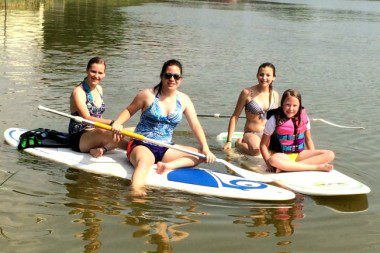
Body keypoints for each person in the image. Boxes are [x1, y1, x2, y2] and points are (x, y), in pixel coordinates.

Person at [112, 59, 216, 196]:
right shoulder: (147, 95)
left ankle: (167, 166)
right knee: (144, 163)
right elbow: (129, 110)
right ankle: (136, 192)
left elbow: (195, 125)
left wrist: (206, 148)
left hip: (165, 146)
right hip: (142, 143)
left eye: (176, 76)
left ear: (180, 80)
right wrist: (118, 122)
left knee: (201, 155)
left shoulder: (184, 100)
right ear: (162, 76)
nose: (172, 79)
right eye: (168, 75)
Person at [260, 89, 335, 173]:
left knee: (330, 154)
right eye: (288, 105)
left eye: (294, 105)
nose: (291, 109)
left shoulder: (304, 117)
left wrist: (313, 156)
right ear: (282, 104)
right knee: (273, 160)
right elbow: (263, 145)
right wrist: (268, 163)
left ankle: (288, 167)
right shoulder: (274, 119)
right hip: (283, 156)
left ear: (299, 106)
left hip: (300, 155)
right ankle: (315, 167)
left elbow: (308, 139)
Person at [68, 57, 123, 157]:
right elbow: (87, 118)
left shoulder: (99, 89)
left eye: (100, 73)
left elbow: (98, 116)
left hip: (96, 132)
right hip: (79, 137)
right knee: (113, 134)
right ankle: (107, 146)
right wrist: (111, 122)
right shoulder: (78, 92)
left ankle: (102, 149)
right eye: (93, 72)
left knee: (131, 130)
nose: (96, 76)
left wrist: (112, 127)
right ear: (87, 71)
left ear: (104, 74)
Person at [223, 62, 279, 156]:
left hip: (268, 133)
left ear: (273, 77)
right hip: (252, 133)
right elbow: (235, 116)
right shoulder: (247, 93)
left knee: (279, 151)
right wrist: (229, 141)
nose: (264, 78)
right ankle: (239, 144)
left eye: (268, 75)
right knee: (256, 151)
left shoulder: (275, 95)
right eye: (261, 74)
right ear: (257, 76)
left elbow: (276, 119)